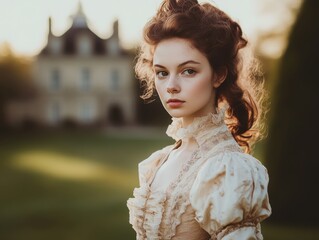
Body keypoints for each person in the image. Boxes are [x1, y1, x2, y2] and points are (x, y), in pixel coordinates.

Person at [127, 0, 271, 239]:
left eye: (188, 71)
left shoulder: (226, 168)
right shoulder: (160, 160)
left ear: (218, 75)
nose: (171, 86)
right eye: (162, 73)